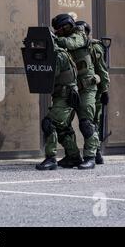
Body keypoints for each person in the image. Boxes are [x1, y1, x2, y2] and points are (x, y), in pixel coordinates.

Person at [52, 14, 100, 170]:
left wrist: (54, 39)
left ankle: (90, 157)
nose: (57, 32)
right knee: (60, 124)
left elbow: (72, 43)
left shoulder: (79, 34)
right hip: (70, 88)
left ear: (66, 26)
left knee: (86, 123)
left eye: (59, 29)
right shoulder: (61, 42)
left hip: (86, 88)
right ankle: (73, 156)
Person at [36, 40, 82, 171]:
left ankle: (51, 158)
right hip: (64, 97)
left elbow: (50, 74)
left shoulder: (58, 55)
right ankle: (74, 157)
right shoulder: (59, 53)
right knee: (62, 130)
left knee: (49, 123)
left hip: (64, 98)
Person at [75, 21, 110, 165]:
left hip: (93, 89)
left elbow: (102, 70)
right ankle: (96, 153)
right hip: (76, 89)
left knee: (92, 122)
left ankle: (95, 154)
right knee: (91, 122)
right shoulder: (74, 46)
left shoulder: (94, 47)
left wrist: (105, 90)